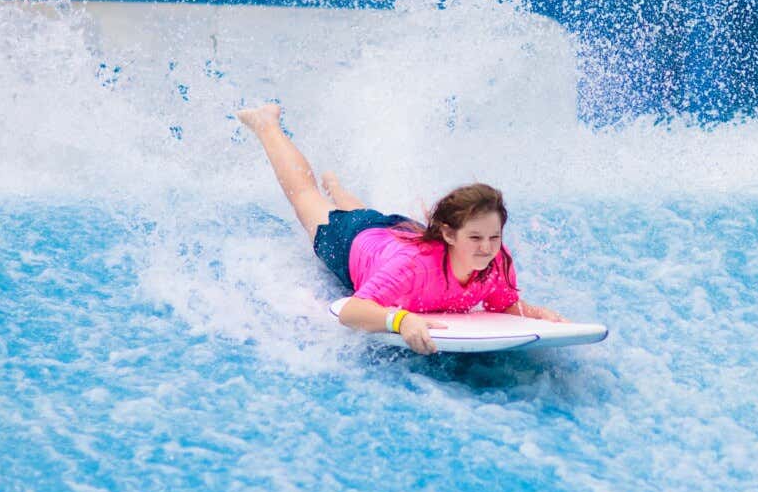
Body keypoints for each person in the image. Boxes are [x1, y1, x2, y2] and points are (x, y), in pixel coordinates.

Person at [236, 104, 563, 354]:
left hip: (400, 232)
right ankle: (267, 124)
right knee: (307, 196)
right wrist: (401, 320)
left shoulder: (496, 261)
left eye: (495, 237)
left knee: (367, 212)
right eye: (475, 238)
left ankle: (338, 188)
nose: (487, 248)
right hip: (353, 240)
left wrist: (530, 312)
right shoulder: (411, 269)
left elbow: (500, 304)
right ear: (449, 234)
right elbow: (351, 310)